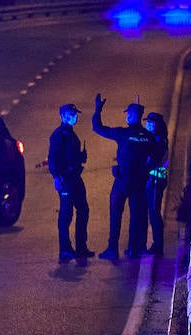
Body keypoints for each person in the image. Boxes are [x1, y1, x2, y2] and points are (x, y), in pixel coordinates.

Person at [91, 94, 155, 259]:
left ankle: (112, 249)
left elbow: (97, 128)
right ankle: (133, 249)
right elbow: (156, 157)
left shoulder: (122, 133)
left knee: (115, 215)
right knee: (136, 216)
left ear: (132, 116)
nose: (126, 116)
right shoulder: (148, 137)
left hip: (122, 181)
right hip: (139, 182)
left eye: (128, 114)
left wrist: (98, 109)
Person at [48, 103, 93, 261]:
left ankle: (81, 247)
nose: (74, 117)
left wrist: (81, 157)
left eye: (75, 114)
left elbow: (70, 156)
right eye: (70, 114)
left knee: (83, 209)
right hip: (66, 180)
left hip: (75, 177)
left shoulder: (72, 134)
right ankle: (65, 249)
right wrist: (56, 176)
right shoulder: (59, 135)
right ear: (62, 116)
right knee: (66, 214)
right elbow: (53, 158)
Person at [143, 112, 170, 255]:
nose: (147, 125)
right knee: (151, 213)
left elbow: (154, 160)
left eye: (150, 123)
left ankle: (158, 246)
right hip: (152, 181)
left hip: (155, 182)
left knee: (154, 213)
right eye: (147, 122)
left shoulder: (159, 141)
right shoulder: (154, 139)